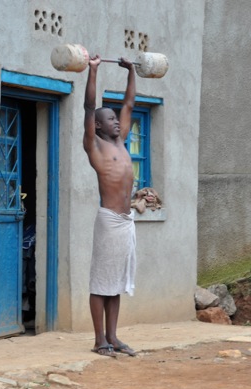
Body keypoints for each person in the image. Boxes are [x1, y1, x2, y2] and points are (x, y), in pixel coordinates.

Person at [83, 55, 138, 357]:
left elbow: (129, 103)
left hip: (126, 220)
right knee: (101, 282)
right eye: (111, 119)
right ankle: (98, 340)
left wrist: (131, 71)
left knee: (115, 283)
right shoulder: (95, 146)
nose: (117, 121)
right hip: (108, 221)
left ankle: (113, 337)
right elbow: (89, 107)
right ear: (98, 126)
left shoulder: (122, 142)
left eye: (117, 118)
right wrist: (93, 70)